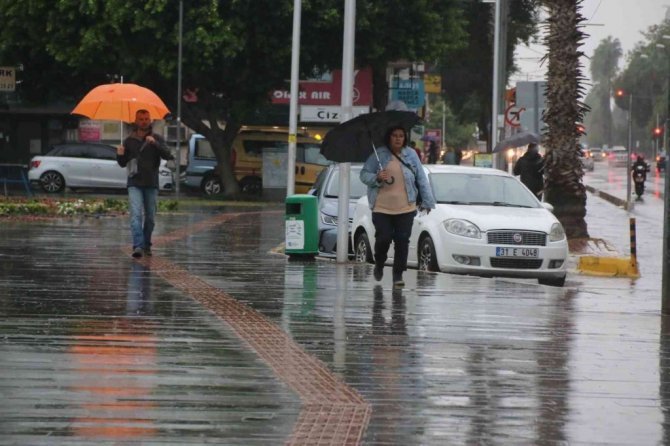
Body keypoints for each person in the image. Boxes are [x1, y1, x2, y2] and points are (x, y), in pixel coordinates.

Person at [360, 125, 436, 288]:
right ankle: (379, 262)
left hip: (406, 207)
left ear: (405, 138)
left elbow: (421, 178)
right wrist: (377, 177)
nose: (398, 138)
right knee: (384, 238)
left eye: (401, 135)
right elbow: (364, 174)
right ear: (389, 137)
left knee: (402, 241)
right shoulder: (379, 154)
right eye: (394, 135)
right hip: (381, 207)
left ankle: (398, 275)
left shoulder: (411, 155)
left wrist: (427, 201)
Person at [116, 109, 174, 258]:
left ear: (150, 120)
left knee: (150, 218)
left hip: (151, 183)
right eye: (141, 119)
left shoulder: (157, 138)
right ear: (136, 121)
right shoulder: (129, 140)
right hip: (134, 182)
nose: (144, 122)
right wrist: (120, 154)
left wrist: (155, 144)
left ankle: (146, 244)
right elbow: (122, 163)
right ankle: (138, 246)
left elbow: (168, 155)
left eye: (146, 119)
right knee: (135, 215)